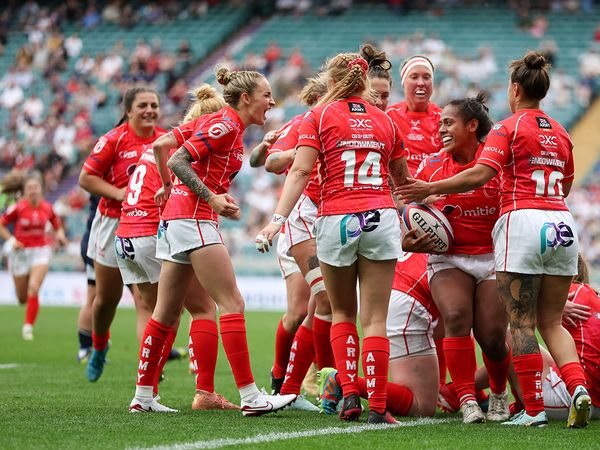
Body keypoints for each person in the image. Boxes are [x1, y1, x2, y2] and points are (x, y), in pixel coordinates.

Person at [396, 51, 591, 428]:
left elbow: (481, 174)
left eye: (451, 122)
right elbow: (565, 185)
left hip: (521, 224)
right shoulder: (563, 132)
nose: (443, 129)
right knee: (549, 321)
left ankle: (532, 409)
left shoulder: (506, 129)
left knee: (514, 327)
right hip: (561, 224)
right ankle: (576, 388)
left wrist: (430, 188)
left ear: (515, 89)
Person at [128, 67, 296, 415]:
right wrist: (212, 197)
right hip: (194, 218)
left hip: (175, 220)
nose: (272, 101)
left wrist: (167, 187)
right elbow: (176, 158)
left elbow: (163, 145)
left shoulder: (222, 124)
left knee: (166, 311)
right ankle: (252, 397)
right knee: (232, 303)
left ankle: (143, 397)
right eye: (266, 95)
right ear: (247, 98)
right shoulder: (226, 125)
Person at [256, 51, 410, 424]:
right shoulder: (386, 121)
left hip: (337, 217)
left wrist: (276, 220)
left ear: (332, 79)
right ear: (363, 82)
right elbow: (403, 182)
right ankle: (377, 406)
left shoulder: (318, 116)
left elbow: (300, 171)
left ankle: (350, 397)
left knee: (339, 310)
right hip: (380, 217)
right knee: (375, 320)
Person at [404, 94, 511, 424]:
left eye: (448, 123)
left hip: (493, 256)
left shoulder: (497, 163)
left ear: (472, 126)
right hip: (449, 258)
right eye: (440, 124)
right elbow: (408, 210)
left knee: (492, 336)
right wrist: (408, 237)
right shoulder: (432, 165)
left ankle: (497, 392)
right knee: (454, 315)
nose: (441, 129)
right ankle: (466, 399)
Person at [249, 75, 329, 410]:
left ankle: (319, 382)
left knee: (322, 305)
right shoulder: (304, 123)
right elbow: (266, 162)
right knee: (301, 310)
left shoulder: (348, 123)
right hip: (298, 223)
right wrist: (298, 150)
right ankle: (281, 380)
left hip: (327, 223)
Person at [79, 87, 166, 382]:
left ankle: (150, 368)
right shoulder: (113, 140)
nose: (150, 110)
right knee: (105, 299)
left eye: (154, 105)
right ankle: (100, 347)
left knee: (145, 301)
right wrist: (119, 192)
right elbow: (86, 177)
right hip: (111, 223)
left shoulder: (165, 140)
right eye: (142, 105)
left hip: (148, 225)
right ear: (129, 111)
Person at [319, 250, 440, 418]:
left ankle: (348, 386)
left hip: (395, 280)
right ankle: (340, 381)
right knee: (422, 407)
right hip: (410, 297)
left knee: (343, 313)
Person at [0, 172, 68, 340]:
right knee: (22, 298)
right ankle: (27, 315)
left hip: (41, 251)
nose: (32, 190)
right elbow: (1, 224)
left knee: (34, 287)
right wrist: (12, 240)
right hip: (20, 253)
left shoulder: (48, 207)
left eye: (35, 187)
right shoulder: (18, 208)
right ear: (24, 191)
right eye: (29, 188)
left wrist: (60, 235)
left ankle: (27, 327)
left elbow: (57, 226)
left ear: (41, 189)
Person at [386, 55, 443, 174]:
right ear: (403, 82)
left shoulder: (444, 119)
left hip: (433, 189)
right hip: (396, 189)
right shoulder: (388, 116)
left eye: (427, 77)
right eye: (414, 77)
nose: (421, 83)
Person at [76, 194, 98, 363]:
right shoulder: (102, 173)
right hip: (98, 243)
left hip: (127, 236)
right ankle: (85, 348)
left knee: (143, 301)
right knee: (95, 297)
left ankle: (156, 353)